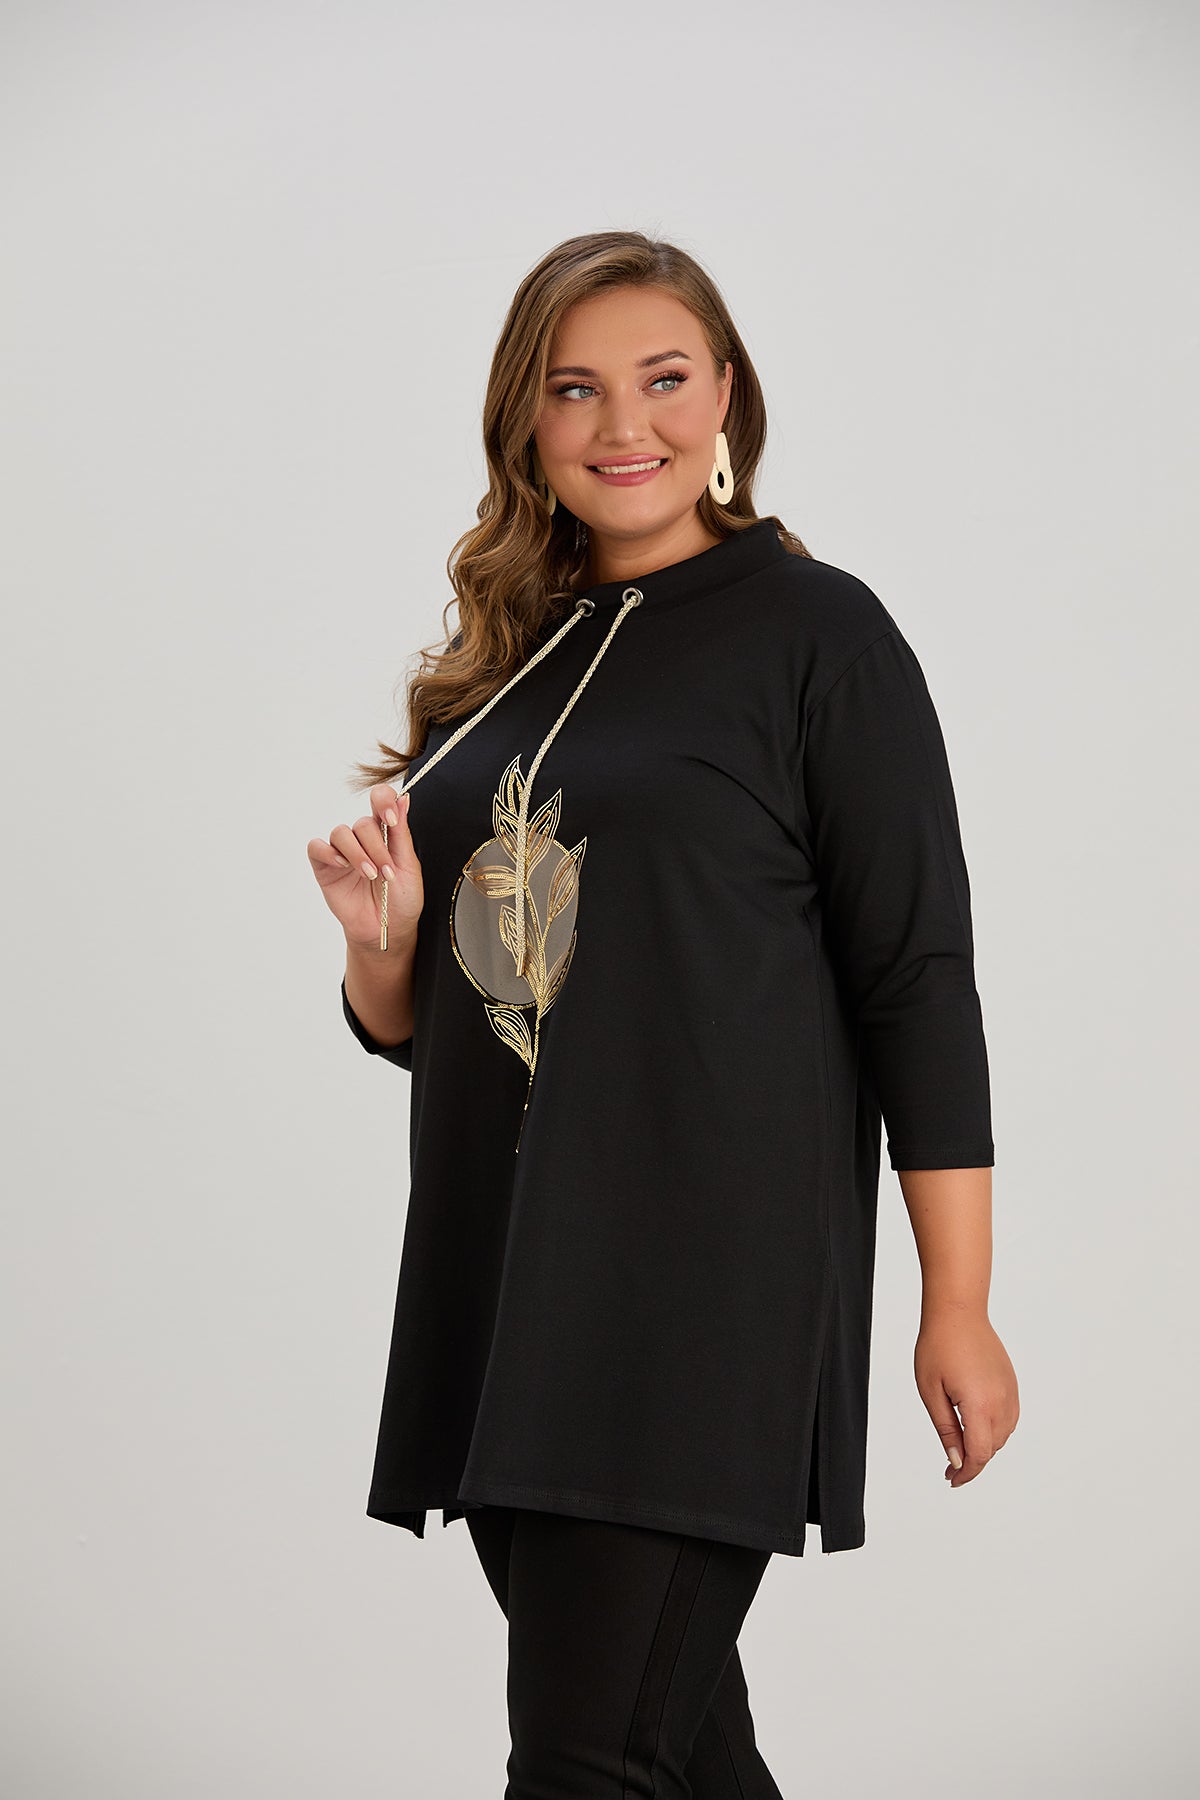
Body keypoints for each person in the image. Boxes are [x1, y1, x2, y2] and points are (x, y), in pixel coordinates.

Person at [308, 230, 1020, 1799]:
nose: (623, 423)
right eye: (575, 388)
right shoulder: (507, 659)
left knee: (585, 1760)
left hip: (698, 1283)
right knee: (676, 1758)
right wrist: (381, 951)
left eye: (664, 378)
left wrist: (957, 1298)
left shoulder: (819, 635)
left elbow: (915, 975)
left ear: (727, 398)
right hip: (509, 1278)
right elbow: (439, 1019)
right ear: (527, 419)